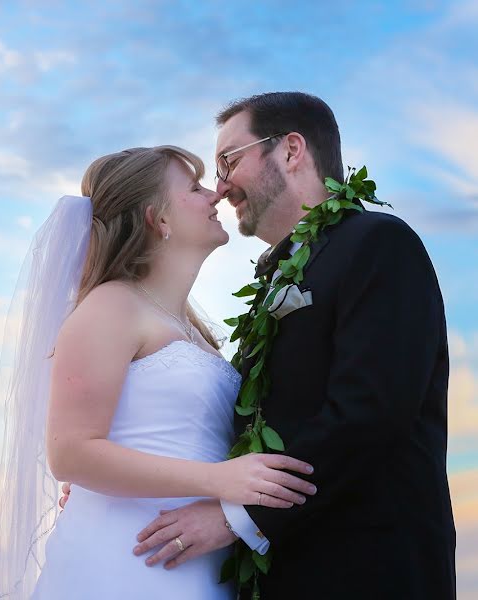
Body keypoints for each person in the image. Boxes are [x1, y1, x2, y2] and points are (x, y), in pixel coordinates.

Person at [119, 92, 456, 599]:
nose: (221, 184)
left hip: (367, 569)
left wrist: (237, 517)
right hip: (283, 571)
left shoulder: (378, 243)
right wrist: (118, 481)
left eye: (228, 160)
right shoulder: (275, 278)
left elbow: (371, 411)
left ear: (291, 150)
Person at [0, 144, 317, 599]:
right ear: (159, 219)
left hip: (191, 557)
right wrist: (219, 481)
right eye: (194, 188)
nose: (214, 194)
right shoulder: (111, 305)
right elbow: (71, 454)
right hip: (127, 560)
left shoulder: (193, 329)